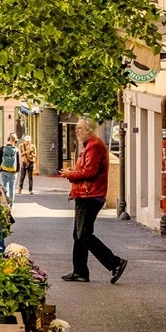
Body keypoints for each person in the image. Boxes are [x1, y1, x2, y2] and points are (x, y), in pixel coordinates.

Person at [58, 117, 128, 284]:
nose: (77, 131)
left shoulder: (94, 146)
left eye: (80, 128)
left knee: (84, 235)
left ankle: (115, 263)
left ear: (89, 130)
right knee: (79, 234)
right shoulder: (89, 146)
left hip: (89, 195)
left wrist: (70, 174)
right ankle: (80, 271)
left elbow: (89, 172)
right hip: (85, 194)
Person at [0, 134, 21, 203]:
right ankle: (11, 204)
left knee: (5, 187)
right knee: (12, 188)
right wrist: (17, 170)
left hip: (4, 170)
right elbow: (19, 161)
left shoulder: (2, 148)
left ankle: (5, 203)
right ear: (15, 140)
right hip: (13, 171)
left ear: (8, 139)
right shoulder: (16, 149)